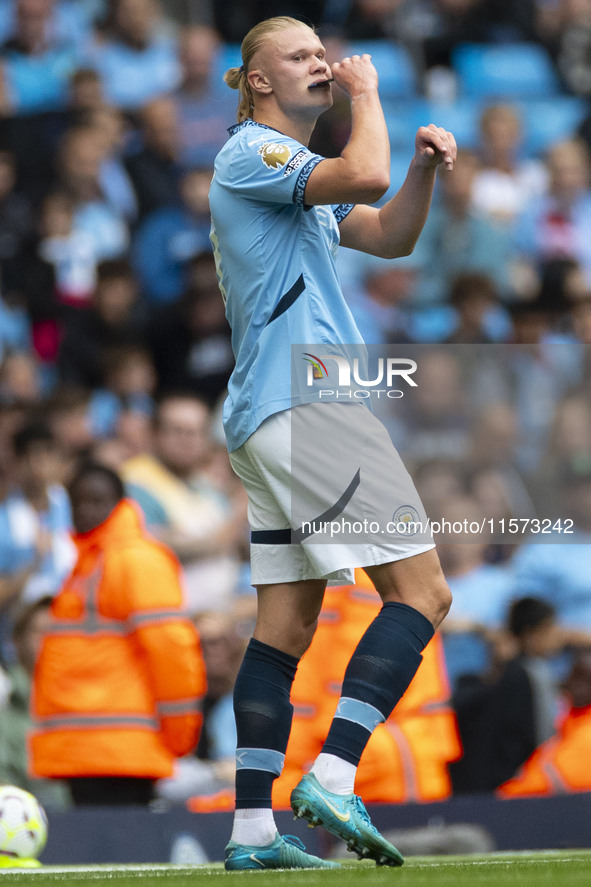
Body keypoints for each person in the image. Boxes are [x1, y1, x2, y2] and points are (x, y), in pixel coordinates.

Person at [208, 15, 455, 871]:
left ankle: (249, 834)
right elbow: (366, 167)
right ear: (259, 82)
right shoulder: (252, 153)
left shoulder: (294, 178)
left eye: (325, 51)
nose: (321, 61)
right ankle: (336, 774)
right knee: (422, 593)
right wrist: (370, 92)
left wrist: (422, 170)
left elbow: (391, 231)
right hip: (307, 406)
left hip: (266, 415)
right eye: (302, 54)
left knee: (283, 628)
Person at [29, 461, 206, 805]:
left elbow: (172, 650)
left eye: (97, 501)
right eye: (77, 502)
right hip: (94, 750)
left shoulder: (134, 560)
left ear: (122, 503)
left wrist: (180, 733)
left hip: (120, 750)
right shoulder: (90, 562)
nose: (85, 511)